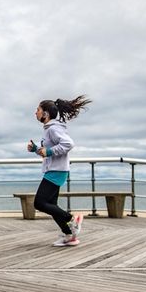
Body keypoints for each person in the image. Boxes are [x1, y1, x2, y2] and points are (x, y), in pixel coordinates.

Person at [27, 96, 91, 246]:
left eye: (38, 110)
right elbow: (48, 151)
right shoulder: (50, 129)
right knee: (51, 204)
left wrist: (49, 152)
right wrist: (36, 149)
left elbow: (68, 144)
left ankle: (71, 219)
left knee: (40, 203)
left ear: (46, 114)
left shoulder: (53, 128)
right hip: (55, 169)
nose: (35, 112)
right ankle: (69, 236)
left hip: (56, 171)